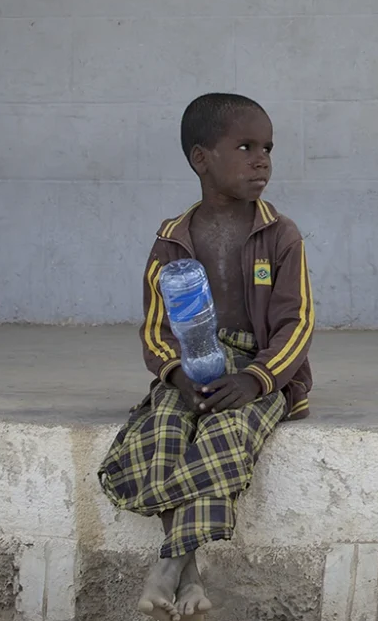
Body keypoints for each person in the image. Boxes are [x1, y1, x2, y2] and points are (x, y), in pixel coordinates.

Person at [97, 93, 315, 621]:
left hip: (261, 374)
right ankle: (190, 574)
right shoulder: (171, 240)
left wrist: (258, 380)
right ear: (201, 159)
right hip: (189, 371)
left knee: (225, 433)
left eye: (267, 147)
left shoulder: (280, 234)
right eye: (244, 146)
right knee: (162, 432)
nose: (261, 159)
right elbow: (155, 329)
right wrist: (175, 374)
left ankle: (168, 565)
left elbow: (298, 322)